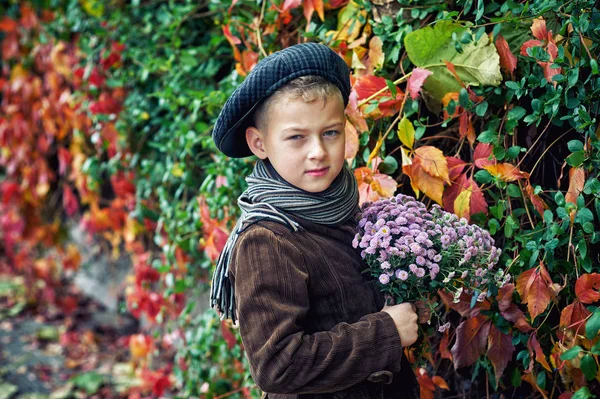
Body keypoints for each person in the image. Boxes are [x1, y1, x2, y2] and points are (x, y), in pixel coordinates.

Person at [210, 42, 422, 399]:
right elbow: (277, 366)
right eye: (296, 137)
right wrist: (386, 332)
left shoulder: (343, 209)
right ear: (259, 144)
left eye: (330, 132)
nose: (318, 152)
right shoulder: (267, 240)